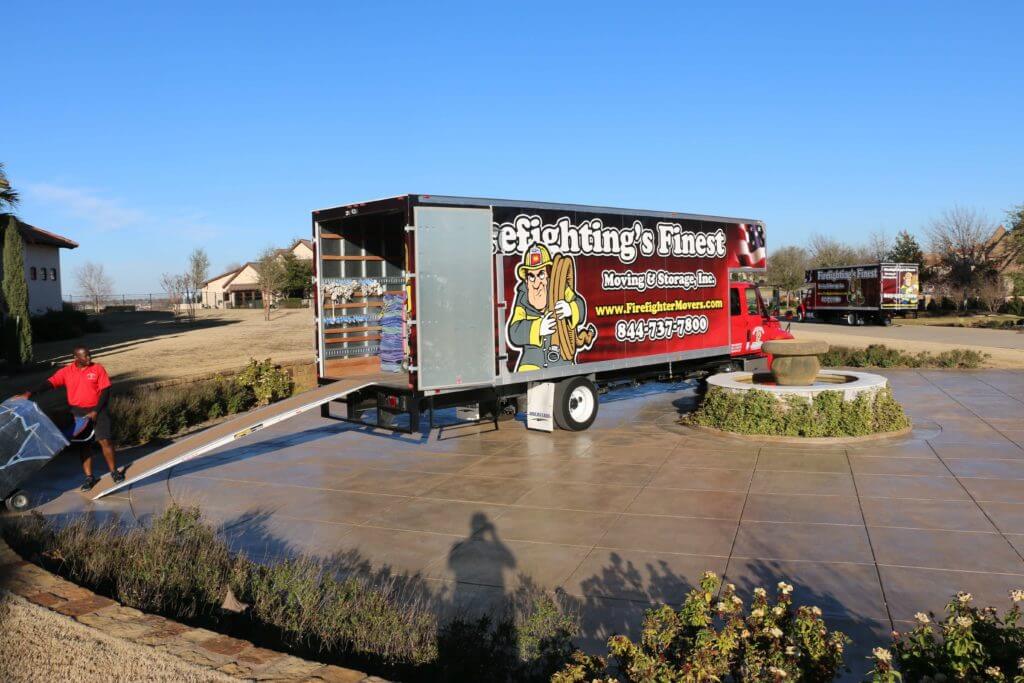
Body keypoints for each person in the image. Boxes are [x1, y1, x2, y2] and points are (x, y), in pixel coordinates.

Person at [15, 345, 122, 491]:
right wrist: (29, 393)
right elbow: (49, 383)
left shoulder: (98, 369)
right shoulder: (67, 371)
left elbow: (105, 392)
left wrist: (96, 411)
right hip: (78, 412)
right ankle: (90, 478)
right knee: (84, 445)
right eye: (85, 356)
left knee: (105, 440)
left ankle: (114, 472)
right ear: (76, 358)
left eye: (89, 355)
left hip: (98, 410)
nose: (89, 358)